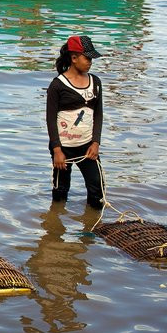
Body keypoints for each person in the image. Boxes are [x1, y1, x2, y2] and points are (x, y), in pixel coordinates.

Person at [46, 35, 104, 209]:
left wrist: (95, 143)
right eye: (87, 58)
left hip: (87, 147)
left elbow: (98, 115)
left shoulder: (95, 82)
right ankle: (55, 225)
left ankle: (91, 227)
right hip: (63, 147)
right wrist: (57, 150)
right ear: (74, 58)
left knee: (97, 190)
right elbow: (50, 119)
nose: (90, 62)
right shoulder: (58, 85)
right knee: (61, 190)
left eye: (92, 58)